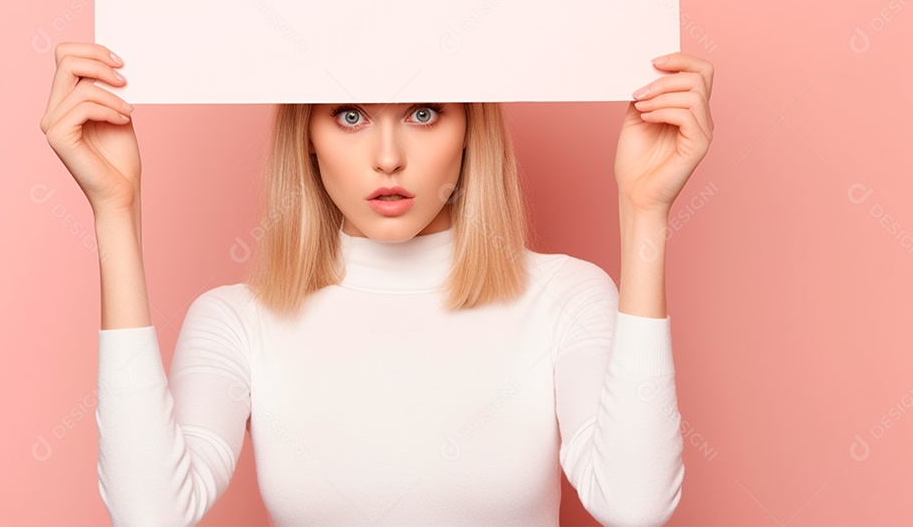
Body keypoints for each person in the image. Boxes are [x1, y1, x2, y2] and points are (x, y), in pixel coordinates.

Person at [39, 41, 716, 526]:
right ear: (306, 133)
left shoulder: (566, 297)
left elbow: (635, 506)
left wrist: (645, 210)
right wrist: (114, 210)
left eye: (424, 112)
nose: (388, 157)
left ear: (471, 129)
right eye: (350, 114)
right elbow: (150, 513)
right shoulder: (236, 320)